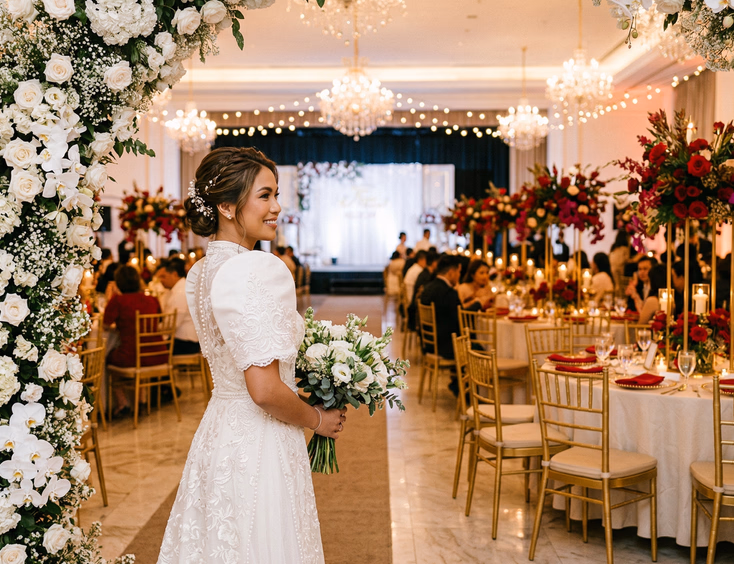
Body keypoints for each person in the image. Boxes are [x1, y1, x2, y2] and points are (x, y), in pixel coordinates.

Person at [158, 147, 342, 563]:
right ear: (226, 205)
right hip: (261, 435)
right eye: (265, 195)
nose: (277, 207)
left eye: (276, 194)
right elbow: (262, 389)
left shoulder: (200, 272)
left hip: (219, 429)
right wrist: (319, 420)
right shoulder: (258, 267)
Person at [104, 266, 165, 417]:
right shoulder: (152, 299)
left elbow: (106, 324)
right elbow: (161, 319)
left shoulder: (118, 300)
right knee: (138, 351)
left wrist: (119, 327)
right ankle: (141, 402)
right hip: (158, 354)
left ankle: (122, 403)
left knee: (109, 358)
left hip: (132, 356)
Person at [419, 254, 483, 361]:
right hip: (446, 347)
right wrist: (479, 303)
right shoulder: (448, 292)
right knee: (481, 349)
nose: (459, 276)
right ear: (451, 273)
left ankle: (458, 377)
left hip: (429, 344)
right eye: (458, 272)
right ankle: (473, 377)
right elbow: (461, 318)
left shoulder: (428, 288)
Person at [157, 257, 200, 355]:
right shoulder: (176, 290)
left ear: (174, 274)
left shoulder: (181, 292)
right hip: (181, 340)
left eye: (163, 276)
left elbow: (171, 324)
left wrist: (153, 328)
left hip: (185, 343)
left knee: (149, 350)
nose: (161, 280)